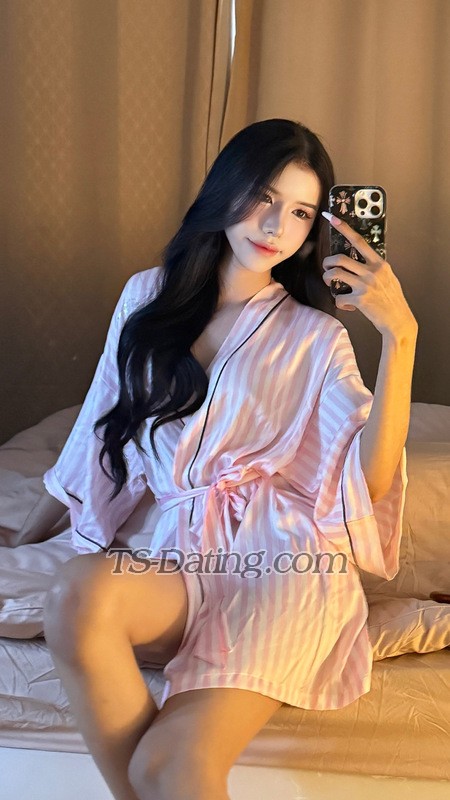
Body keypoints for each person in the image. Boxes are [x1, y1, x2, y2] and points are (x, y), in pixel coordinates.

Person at [42, 118, 418, 800]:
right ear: (227, 189)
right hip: (179, 559)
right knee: (75, 592)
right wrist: (29, 529)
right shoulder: (146, 297)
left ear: (315, 229)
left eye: (300, 212)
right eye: (263, 197)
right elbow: (100, 427)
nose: (275, 225)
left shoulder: (316, 337)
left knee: (168, 766)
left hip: (281, 567)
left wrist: (401, 338)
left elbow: (368, 482)